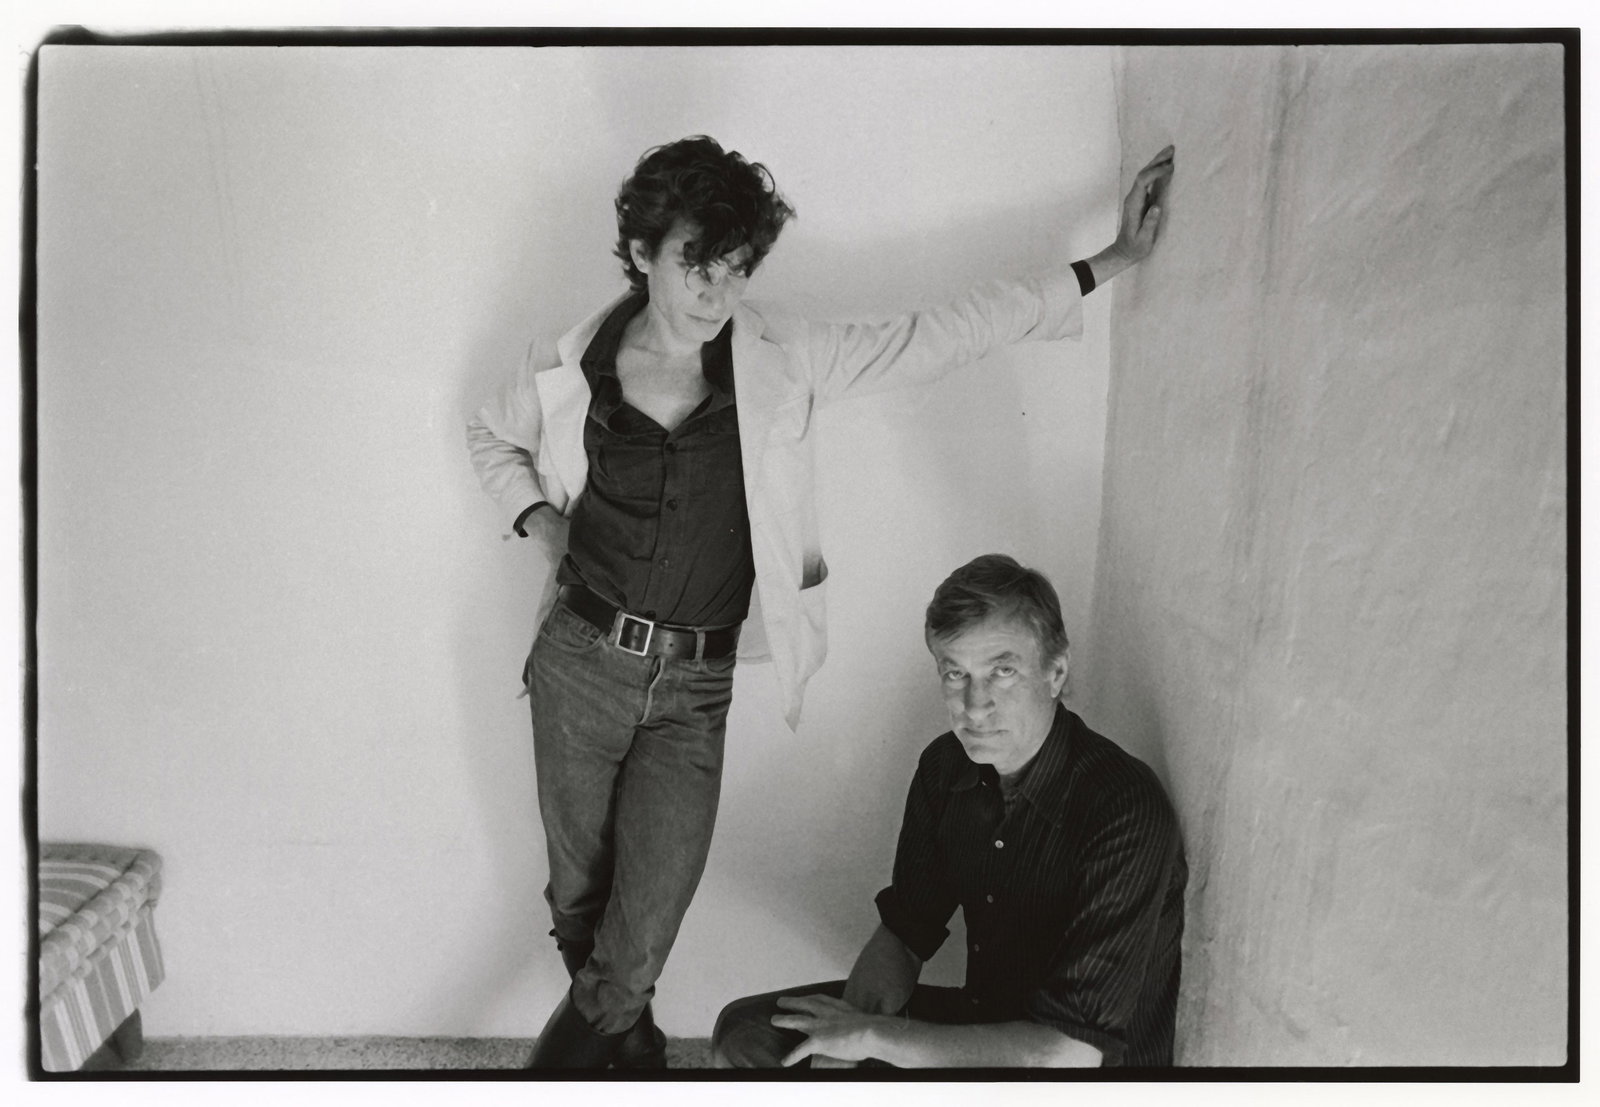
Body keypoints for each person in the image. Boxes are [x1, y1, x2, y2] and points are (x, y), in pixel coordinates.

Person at [467, 137, 1175, 1069]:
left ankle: (581, 1060)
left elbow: (938, 331)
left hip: (693, 686)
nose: (718, 292)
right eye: (696, 263)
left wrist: (1107, 263)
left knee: (646, 908)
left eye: (735, 268)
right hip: (578, 658)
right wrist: (543, 528)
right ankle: (628, 1044)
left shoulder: (782, 358)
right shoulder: (570, 365)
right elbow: (493, 437)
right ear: (642, 251)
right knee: (576, 892)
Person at [711, 555, 1187, 1069]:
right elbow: (906, 931)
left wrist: (872, 1038)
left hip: (1070, 1068)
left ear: (1056, 672)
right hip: (982, 1027)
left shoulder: (1124, 806)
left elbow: (1067, 1051)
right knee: (747, 1035)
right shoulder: (944, 768)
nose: (974, 704)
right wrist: (846, 1042)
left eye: (1002, 671)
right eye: (955, 672)